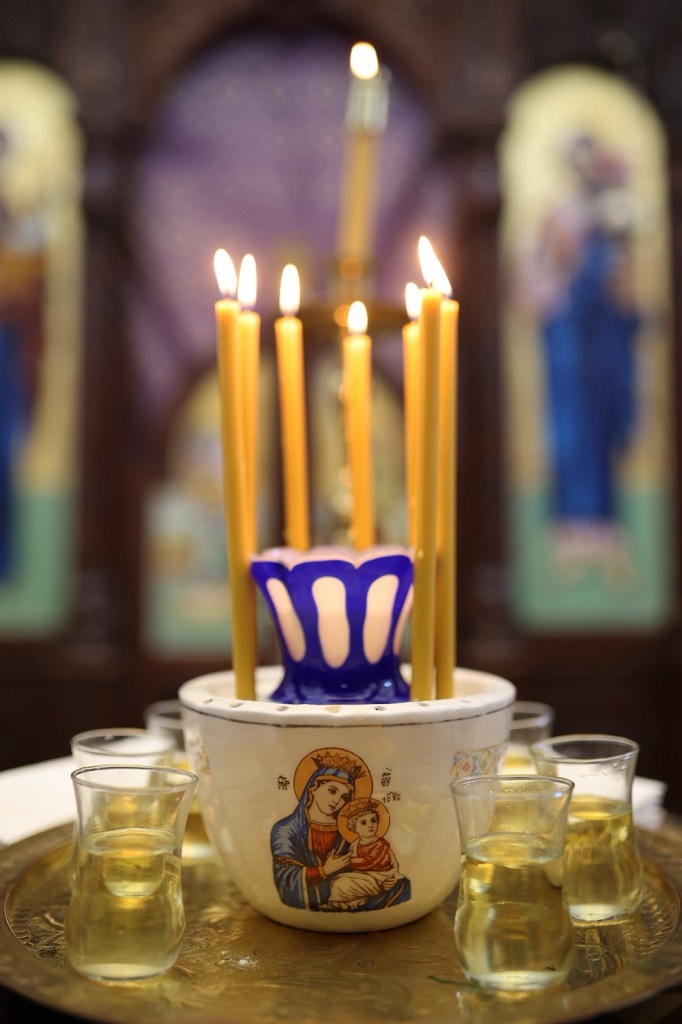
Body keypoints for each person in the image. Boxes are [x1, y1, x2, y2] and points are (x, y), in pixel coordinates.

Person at [516, 134, 640, 577]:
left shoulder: (612, 217)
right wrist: (561, 257)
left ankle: (604, 528)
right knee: (569, 435)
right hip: (567, 347)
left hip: (602, 349)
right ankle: (570, 529)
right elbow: (535, 284)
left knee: (601, 433)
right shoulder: (563, 215)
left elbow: (623, 289)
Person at [270, 749, 410, 912]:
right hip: (312, 897)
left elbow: (373, 860)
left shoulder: (349, 829)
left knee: (402, 886)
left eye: (345, 797)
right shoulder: (286, 830)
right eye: (332, 791)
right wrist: (324, 870)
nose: (337, 801)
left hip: (354, 891)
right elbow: (286, 878)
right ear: (313, 787)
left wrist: (387, 878)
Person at [325, 797, 406, 910]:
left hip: (379, 879)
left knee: (339, 883)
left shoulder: (380, 844)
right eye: (363, 822)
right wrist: (337, 859)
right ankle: (345, 904)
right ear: (355, 828)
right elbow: (354, 865)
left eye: (373, 820)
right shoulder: (355, 844)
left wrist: (345, 861)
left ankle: (338, 905)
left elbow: (370, 861)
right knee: (338, 881)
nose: (370, 825)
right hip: (364, 877)